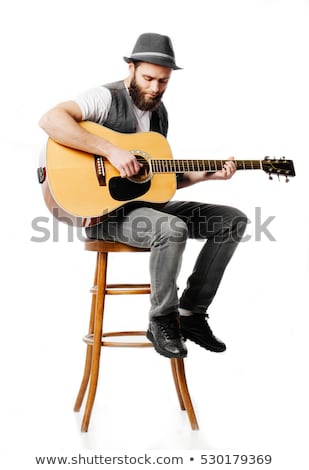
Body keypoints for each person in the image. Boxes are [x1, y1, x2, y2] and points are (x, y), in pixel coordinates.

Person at [39, 32, 247, 359]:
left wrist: (208, 175)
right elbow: (51, 120)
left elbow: (158, 183)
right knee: (171, 229)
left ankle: (191, 314)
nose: (154, 88)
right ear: (132, 68)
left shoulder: (158, 116)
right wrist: (109, 150)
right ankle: (162, 319)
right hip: (105, 216)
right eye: (148, 78)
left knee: (232, 221)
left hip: (145, 210)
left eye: (163, 82)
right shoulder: (104, 98)